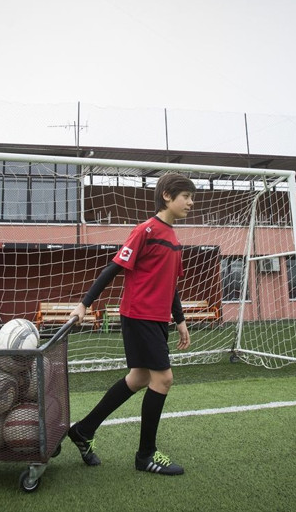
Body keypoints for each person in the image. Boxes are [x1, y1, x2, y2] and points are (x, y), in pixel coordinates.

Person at [67, 172, 194, 476]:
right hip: (139, 316)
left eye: (192, 197)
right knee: (162, 380)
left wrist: (180, 320)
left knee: (138, 378)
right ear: (167, 195)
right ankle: (145, 456)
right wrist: (85, 303)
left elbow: (171, 286)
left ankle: (83, 430)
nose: (191, 202)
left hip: (155, 320)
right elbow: (113, 269)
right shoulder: (145, 231)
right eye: (186, 196)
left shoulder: (174, 239)